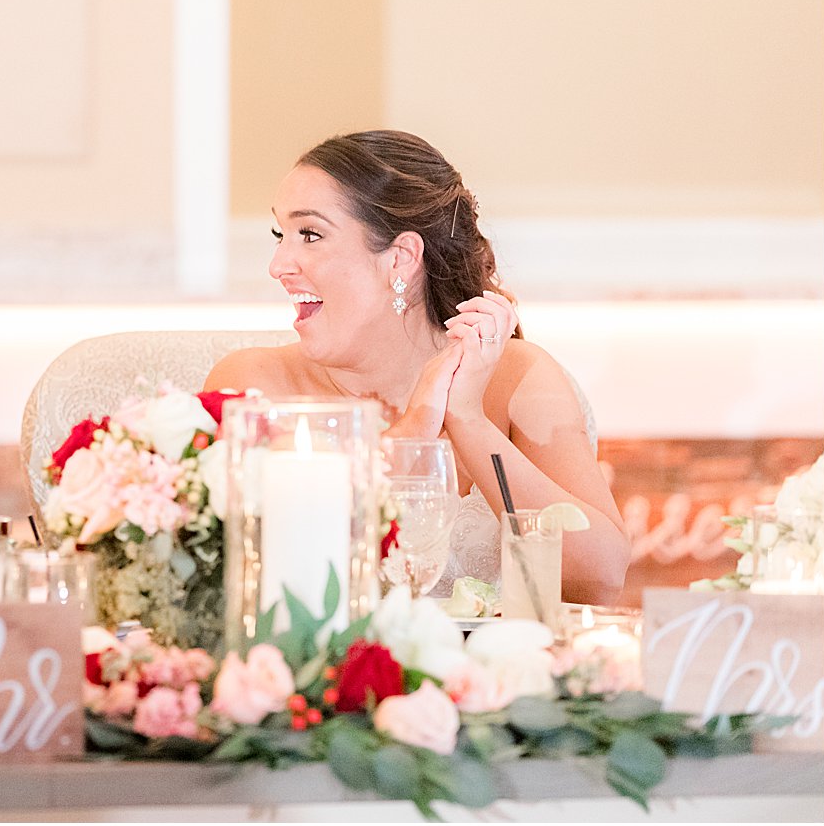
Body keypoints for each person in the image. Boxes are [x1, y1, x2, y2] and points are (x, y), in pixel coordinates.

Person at [204, 130, 628, 605]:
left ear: (401, 258)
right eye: (281, 236)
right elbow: (251, 585)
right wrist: (414, 429)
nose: (278, 264)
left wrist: (466, 418)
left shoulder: (520, 379)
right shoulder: (251, 389)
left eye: (310, 234)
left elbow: (601, 577)